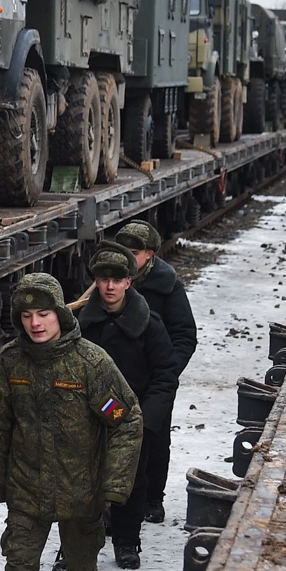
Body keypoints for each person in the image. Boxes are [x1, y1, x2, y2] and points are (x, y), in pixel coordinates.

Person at [0, 273, 141, 571]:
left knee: (83, 570)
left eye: (44, 314)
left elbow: (126, 422)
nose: (36, 323)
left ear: (60, 313)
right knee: (17, 569)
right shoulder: (10, 364)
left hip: (81, 491)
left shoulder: (90, 363)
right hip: (27, 490)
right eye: (28, 315)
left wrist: (114, 486)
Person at [76, 244, 180, 569]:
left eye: (116, 279)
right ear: (96, 281)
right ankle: (74, 547)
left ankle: (126, 542)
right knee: (81, 483)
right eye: (103, 279)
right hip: (88, 418)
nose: (109, 286)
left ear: (128, 283)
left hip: (131, 419)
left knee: (131, 483)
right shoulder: (82, 323)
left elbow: (165, 374)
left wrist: (147, 420)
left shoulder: (149, 325)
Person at [111, 220, 196, 524]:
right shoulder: (112, 281)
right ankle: (113, 502)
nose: (127, 258)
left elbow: (185, 336)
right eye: (122, 251)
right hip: (115, 381)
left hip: (154, 381)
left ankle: (152, 499)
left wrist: (166, 374)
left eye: (133, 252)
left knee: (154, 439)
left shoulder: (167, 285)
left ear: (149, 254)